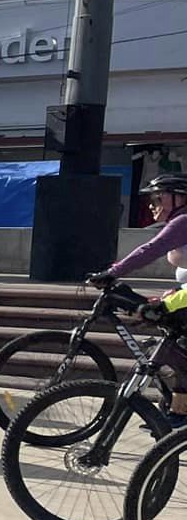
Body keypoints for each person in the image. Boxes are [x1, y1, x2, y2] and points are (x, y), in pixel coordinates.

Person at [91, 172, 187, 424]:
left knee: (175, 345)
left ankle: (179, 412)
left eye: (158, 199)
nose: (152, 206)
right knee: (174, 346)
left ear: (180, 199)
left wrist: (112, 272)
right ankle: (178, 409)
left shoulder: (184, 221)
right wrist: (174, 295)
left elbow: (150, 250)